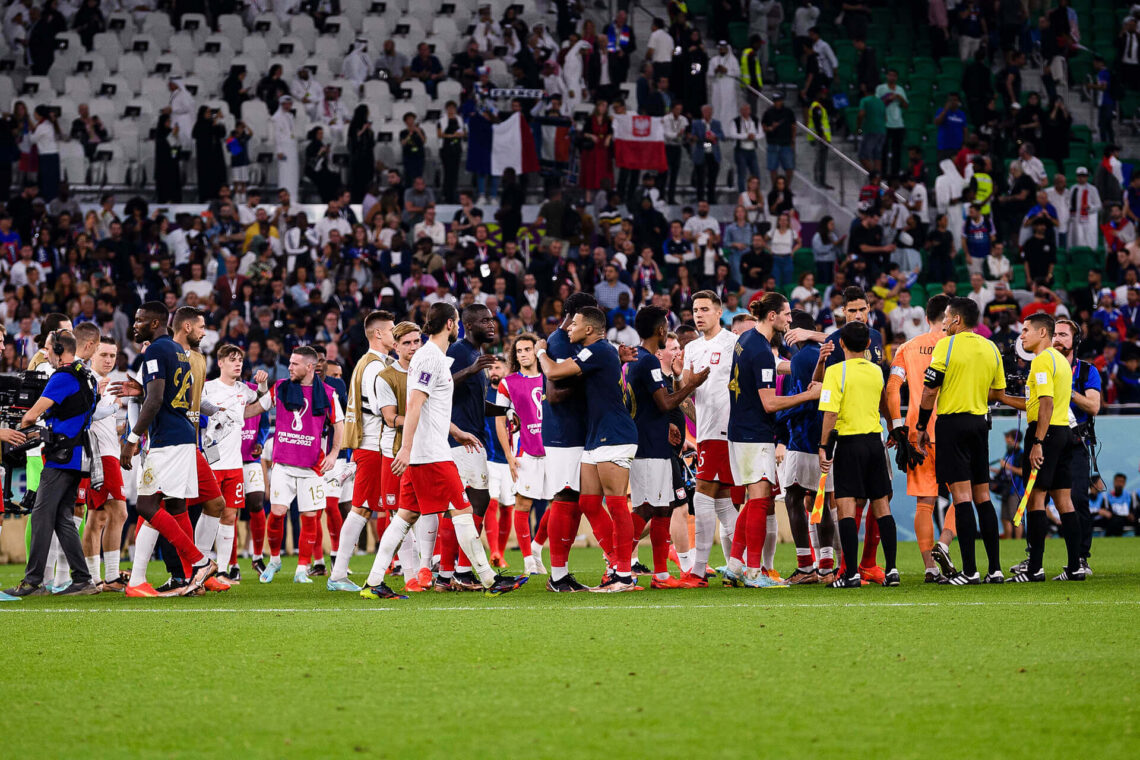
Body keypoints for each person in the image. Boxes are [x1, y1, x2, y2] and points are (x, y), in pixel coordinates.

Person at [362, 303, 527, 599]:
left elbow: (431, 407)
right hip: (431, 454)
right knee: (464, 511)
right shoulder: (430, 358)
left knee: (404, 518)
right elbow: (414, 404)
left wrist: (456, 431)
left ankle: (374, 582)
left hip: (428, 450)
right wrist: (408, 447)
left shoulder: (432, 357)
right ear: (452, 324)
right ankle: (489, 580)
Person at [116, 304, 217, 597]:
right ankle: (189, 575)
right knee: (175, 506)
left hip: (169, 439)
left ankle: (200, 562)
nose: (135, 325)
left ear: (155, 322)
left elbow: (156, 398)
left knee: (147, 506)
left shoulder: (156, 351)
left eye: (140, 320)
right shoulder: (177, 351)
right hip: (183, 435)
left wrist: (132, 438)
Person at [537, 305, 640, 591]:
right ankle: (616, 563)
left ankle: (622, 573)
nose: (569, 328)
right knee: (587, 503)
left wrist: (539, 351)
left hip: (615, 435)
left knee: (617, 504)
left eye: (575, 324)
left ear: (590, 329)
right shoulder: (598, 352)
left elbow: (554, 371)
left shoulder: (599, 350)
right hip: (596, 437)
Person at [724, 293, 821, 588]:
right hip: (754, 433)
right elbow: (768, 403)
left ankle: (734, 566)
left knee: (755, 499)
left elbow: (775, 366)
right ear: (772, 316)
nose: (790, 320)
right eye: (787, 314)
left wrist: (802, 369)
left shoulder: (748, 340)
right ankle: (754, 573)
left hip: (740, 430)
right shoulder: (762, 351)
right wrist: (808, 394)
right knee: (759, 499)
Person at [914, 297, 1005, 585]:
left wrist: (919, 425)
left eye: (946, 318)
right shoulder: (991, 347)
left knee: (962, 498)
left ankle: (969, 571)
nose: (943, 323)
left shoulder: (946, 345)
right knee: (984, 497)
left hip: (952, 424)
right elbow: (997, 391)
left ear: (956, 320)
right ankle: (996, 569)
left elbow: (929, 391)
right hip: (980, 424)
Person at [3, 330, 99, 596]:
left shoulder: (63, 377)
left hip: (60, 457)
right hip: (78, 455)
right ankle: (83, 579)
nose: (46, 355)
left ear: (58, 349)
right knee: (62, 519)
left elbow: (29, 417)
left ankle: (33, 582)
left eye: (48, 349)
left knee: (41, 515)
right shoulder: (86, 375)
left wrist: (24, 422)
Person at [995, 314, 1083, 582]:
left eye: (1025, 330)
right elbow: (1037, 403)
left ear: (1043, 332)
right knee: (1064, 500)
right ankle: (1075, 566)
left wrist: (1037, 442)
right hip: (1063, 433)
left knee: (1036, 499)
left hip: (1046, 435)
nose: (1021, 336)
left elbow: (1044, 403)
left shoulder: (1043, 360)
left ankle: (1034, 569)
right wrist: (1002, 397)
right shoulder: (1061, 362)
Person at [625, 306, 707, 588]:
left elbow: (651, 406)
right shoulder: (646, 361)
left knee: (663, 508)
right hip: (647, 448)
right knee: (646, 509)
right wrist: (692, 384)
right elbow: (664, 403)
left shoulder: (641, 360)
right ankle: (619, 568)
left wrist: (668, 425)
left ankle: (660, 575)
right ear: (660, 331)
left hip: (655, 443)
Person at [884, 295, 959, 582]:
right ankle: (944, 544)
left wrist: (897, 427)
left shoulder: (907, 347)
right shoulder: (957, 345)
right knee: (964, 496)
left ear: (926, 316)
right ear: (949, 316)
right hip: (953, 429)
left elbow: (893, 389)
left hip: (918, 433)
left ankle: (930, 568)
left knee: (925, 504)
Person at [257, 346, 344, 583]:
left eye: (294, 363)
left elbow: (339, 425)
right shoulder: (282, 387)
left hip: (312, 467)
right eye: (290, 362)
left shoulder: (327, 393)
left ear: (309, 367)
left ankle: (302, 569)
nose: (290, 367)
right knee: (276, 514)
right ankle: (274, 560)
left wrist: (334, 454)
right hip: (283, 465)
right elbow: (257, 407)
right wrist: (233, 412)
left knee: (309, 517)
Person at [681, 291, 742, 587]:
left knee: (702, 493)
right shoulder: (691, 348)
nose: (699, 314)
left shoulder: (732, 343)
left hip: (725, 430)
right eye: (695, 309)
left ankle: (698, 571)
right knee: (722, 503)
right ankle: (740, 566)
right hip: (705, 431)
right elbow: (685, 392)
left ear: (719, 312)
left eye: (705, 309)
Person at [776, 311, 840, 584]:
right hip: (829, 438)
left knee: (793, 497)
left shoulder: (801, 358)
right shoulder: (831, 352)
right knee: (821, 499)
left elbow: (805, 398)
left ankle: (805, 567)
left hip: (803, 437)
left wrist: (778, 415)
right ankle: (826, 565)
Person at [200, 345, 271, 586]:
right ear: (220, 363)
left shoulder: (243, 389)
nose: (237, 364)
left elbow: (263, 404)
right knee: (208, 514)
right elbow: (196, 410)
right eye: (232, 360)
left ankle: (222, 570)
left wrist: (262, 386)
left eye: (240, 360)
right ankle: (200, 564)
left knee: (230, 515)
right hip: (212, 463)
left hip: (234, 465)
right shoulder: (207, 388)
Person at [494, 334, 548, 577]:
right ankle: (528, 560)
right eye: (519, 351)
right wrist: (508, 455)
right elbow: (498, 420)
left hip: (553, 450)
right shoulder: (508, 383)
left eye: (528, 349)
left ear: (537, 351)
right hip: (524, 451)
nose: (524, 354)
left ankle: (537, 547)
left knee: (560, 502)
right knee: (522, 505)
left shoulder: (550, 377)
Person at [1051, 319, 1100, 577]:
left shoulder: (1086, 371)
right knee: (1036, 500)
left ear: (1075, 341)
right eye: (1053, 334)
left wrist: (1065, 389)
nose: (1057, 339)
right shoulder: (1042, 366)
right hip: (1046, 439)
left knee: (1079, 498)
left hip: (1076, 442)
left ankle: (1081, 558)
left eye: (1062, 335)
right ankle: (1032, 559)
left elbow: (1093, 406)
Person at [81, 336, 129, 591]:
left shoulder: (108, 383)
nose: (109, 360)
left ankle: (94, 578)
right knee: (119, 513)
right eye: (104, 355)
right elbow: (87, 416)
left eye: (113, 355)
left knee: (98, 517)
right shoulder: (89, 380)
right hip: (101, 455)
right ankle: (110, 577)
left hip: (106, 450)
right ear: (92, 354)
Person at [689, 104, 724, 205]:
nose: (707, 114)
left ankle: (711, 199)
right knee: (700, 177)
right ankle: (700, 198)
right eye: (705, 112)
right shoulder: (696, 123)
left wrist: (714, 136)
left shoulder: (716, 123)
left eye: (709, 111)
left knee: (712, 177)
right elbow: (693, 135)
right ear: (702, 112)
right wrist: (702, 137)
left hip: (713, 150)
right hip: (702, 148)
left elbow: (722, 135)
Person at [761, 92, 796, 187]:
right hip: (773, 143)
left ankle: (787, 188)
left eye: (779, 101)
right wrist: (769, 128)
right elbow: (763, 126)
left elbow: (793, 126)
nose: (777, 103)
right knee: (773, 168)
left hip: (786, 143)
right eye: (775, 101)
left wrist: (793, 140)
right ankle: (775, 188)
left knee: (789, 168)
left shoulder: (788, 112)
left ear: (782, 101)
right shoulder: (768, 112)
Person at [272, 95, 299, 201]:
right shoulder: (277, 117)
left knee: (293, 174)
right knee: (284, 174)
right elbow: (277, 135)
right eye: (286, 104)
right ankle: (284, 198)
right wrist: (279, 151)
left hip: (292, 147)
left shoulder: (290, 116)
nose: (288, 106)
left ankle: (293, 198)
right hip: (283, 149)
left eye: (290, 104)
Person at [1067, 168, 1102, 249]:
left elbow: (1099, 205)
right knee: (1076, 239)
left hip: (1089, 219)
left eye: (1083, 176)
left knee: (1088, 239)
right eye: (1079, 176)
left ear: (1087, 177)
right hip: (1075, 218)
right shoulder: (1073, 188)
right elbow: (1068, 203)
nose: (1081, 178)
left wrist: (1090, 207)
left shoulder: (1092, 189)